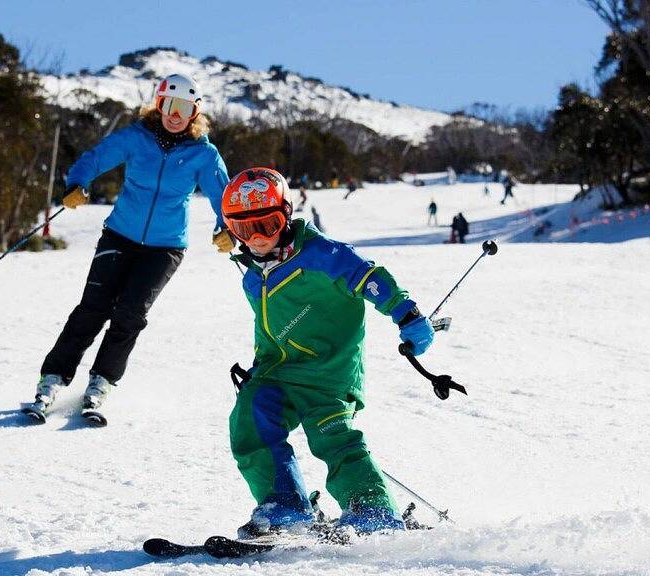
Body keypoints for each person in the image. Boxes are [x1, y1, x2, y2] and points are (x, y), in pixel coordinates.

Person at [220, 167, 435, 537]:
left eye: (267, 225)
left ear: (286, 214)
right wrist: (258, 368)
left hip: (329, 375)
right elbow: (269, 329)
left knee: (332, 437)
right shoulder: (252, 276)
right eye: (243, 229)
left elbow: (370, 277)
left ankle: (372, 510)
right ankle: (284, 506)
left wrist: (406, 313)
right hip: (278, 372)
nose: (256, 239)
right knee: (249, 420)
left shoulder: (322, 254)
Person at [28, 74, 234, 421]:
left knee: (130, 315)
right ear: (159, 104)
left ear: (194, 112)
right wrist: (77, 183)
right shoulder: (137, 137)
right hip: (119, 236)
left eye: (184, 107)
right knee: (92, 309)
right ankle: (51, 381)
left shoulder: (204, 154)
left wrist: (225, 228)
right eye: (169, 104)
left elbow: (223, 197)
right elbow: (95, 158)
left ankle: (100, 384)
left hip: (165, 248)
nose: (175, 113)